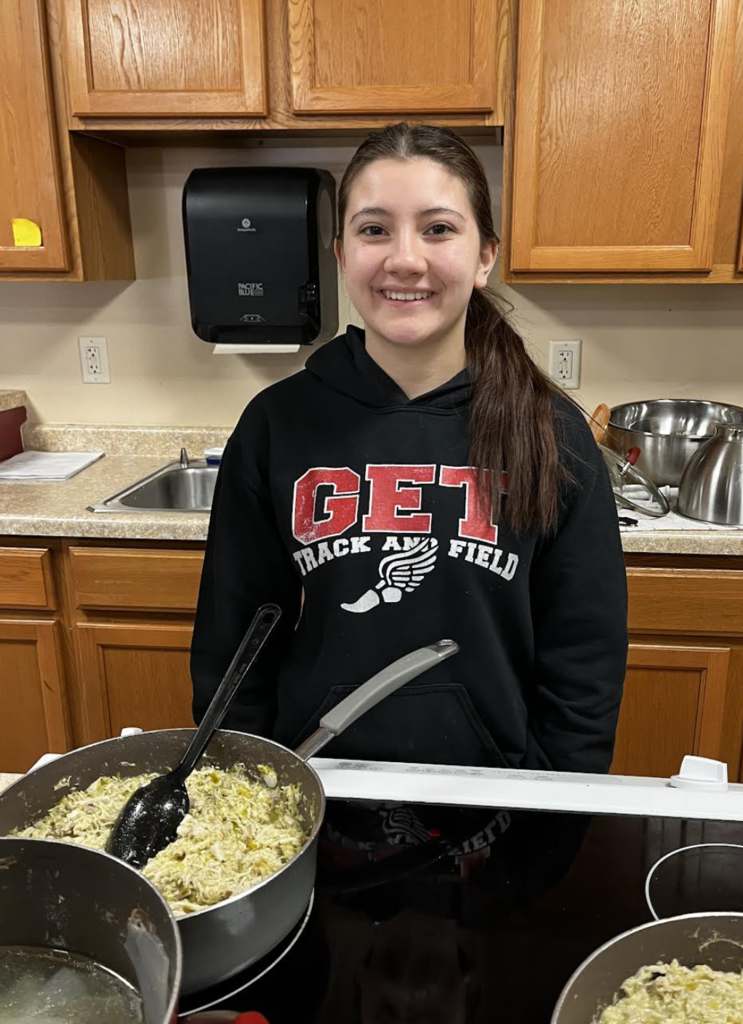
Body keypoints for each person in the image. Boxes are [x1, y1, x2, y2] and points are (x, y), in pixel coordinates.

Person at [191, 122, 628, 773]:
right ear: (341, 254)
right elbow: (235, 644)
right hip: (312, 789)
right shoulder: (277, 425)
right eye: (374, 229)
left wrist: (551, 808)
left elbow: (584, 662)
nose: (404, 258)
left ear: (485, 256)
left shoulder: (551, 433)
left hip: (498, 804)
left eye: (437, 228)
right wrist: (243, 787)